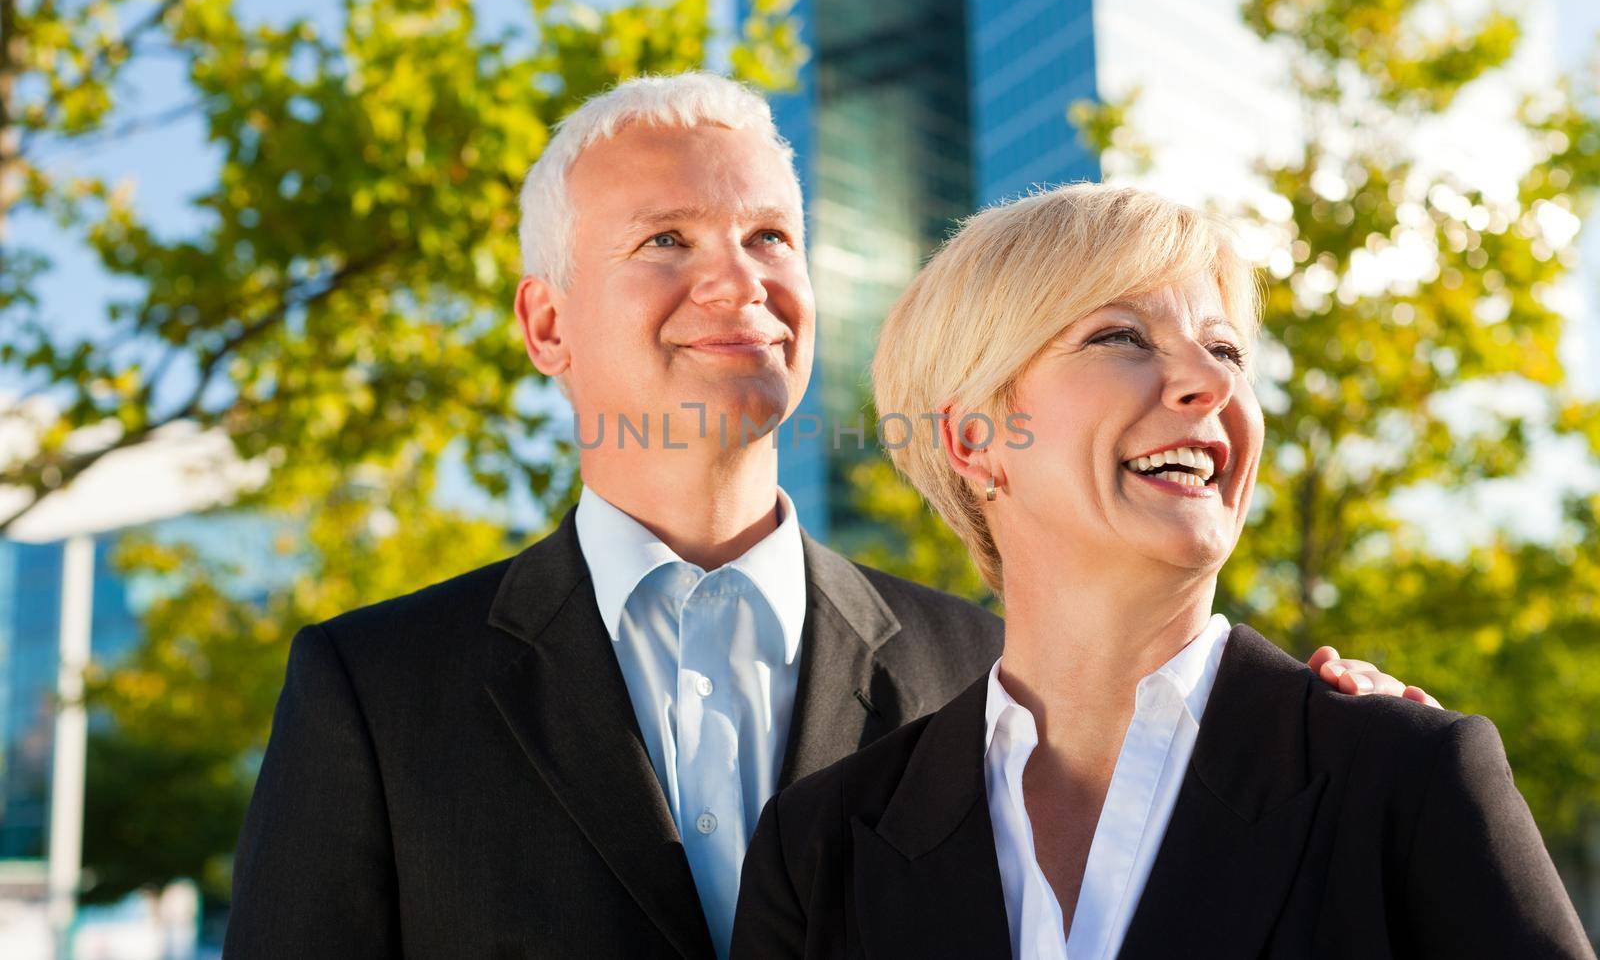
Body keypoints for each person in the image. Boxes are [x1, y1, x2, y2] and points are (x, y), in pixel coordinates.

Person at [224, 77, 1431, 960]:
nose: (737, 280)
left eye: (769, 237)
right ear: (546, 325)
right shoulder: (375, 690)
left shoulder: (993, 670)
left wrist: (1356, 759)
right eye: (666, 240)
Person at [730, 183, 1593, 959]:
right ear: (975, 440)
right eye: (1121, 336)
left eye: (1226, 351)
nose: (1206, 384)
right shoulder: (820, 849)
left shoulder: (1407, 775)